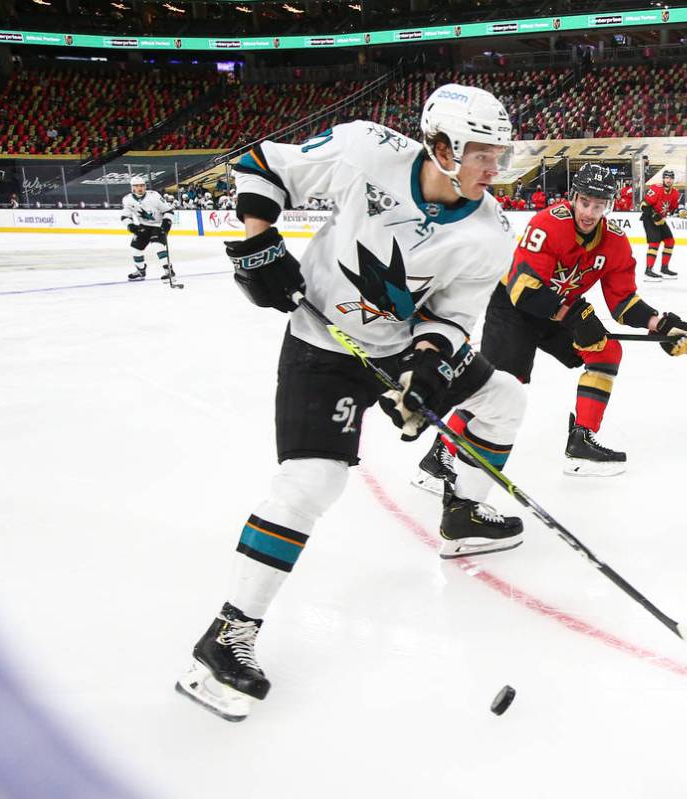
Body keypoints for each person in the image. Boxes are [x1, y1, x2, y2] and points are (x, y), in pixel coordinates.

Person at [176, 84, 531, 723]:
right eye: (483, 154)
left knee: (504, 397)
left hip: (398, 351)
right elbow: (261, 164)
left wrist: (424, 375)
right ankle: (227, 635)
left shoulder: (490, 233)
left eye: (500, 155)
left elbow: (453, 320)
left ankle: (464, 513)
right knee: (311, 483)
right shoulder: (366, 149)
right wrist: (260, 243)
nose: (495, 169)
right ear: (443, 145)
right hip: (320, 344)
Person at [413, 163, 687, 484]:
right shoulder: (549, 224)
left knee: (606, 351)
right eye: (585, 203)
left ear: (608, 205)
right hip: (514, 306)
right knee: (505, 387)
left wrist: (661, 325)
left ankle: (581, 443)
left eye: (599, 205)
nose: (590, 212)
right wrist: (574, 315)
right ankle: (440, 453)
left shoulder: (615, 242)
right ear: (573, 198)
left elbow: (623, 303)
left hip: (557, 307)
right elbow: (524, 290)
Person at [120, 175, 174, 282]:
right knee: (135, 250)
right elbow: (125, 216)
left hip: (158, 225)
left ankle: (168, 270)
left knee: (158, 246)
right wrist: (131, 226)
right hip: (143, 227)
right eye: (137, 186)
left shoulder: (154, 196)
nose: (140, 188)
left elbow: (168, 211)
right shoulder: (127, 200)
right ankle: (141, 271)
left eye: (142, 186)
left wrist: (166, 224)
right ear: (132, 188)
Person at [640, 168, 681, 280]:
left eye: (671, 178)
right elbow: (644, 205)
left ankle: (664, 268)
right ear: (663, 178)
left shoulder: (675, 193)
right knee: (655, 242)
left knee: (670, 241)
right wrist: (654, 216)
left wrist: (681, 212)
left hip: (661, 220)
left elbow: (673, 209)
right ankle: (648, 270)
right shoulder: (656, 188)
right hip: (648, 218)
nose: (668, 180)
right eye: (666, 177)